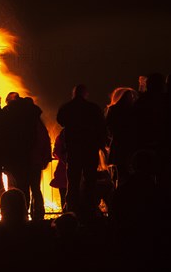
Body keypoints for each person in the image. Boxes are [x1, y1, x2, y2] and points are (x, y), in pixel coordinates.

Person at [57, 84, 107, 222]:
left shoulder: (67, 108)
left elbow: (60, 120)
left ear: (74, 93)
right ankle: (89, 208)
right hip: (90, 150)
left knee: (72, 181)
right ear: (86, 94)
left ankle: (71, 209)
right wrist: (100, 144)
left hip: (73, 149)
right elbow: (102, 126)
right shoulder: (93, 108)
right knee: (90, 180)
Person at [105, 87, 138, 187]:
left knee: (119, 171)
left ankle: (119, 190)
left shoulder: (113, 110)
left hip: (118, 143)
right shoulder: (133, 110)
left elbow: (108, 126)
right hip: (130, 144)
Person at [50, 128, 68, 211]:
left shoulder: (62, 135)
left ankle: (65, 214)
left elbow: (56, 151)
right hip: (77, 170)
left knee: (64, 196)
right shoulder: (81, 130)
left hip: (63, 171)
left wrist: (63, 159)